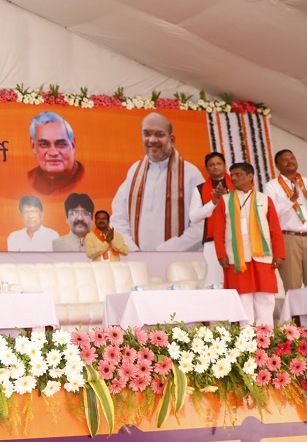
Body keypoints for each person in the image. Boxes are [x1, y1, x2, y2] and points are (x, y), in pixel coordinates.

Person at [110, 112, 202, 251]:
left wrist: (166, 252)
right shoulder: (135, 171)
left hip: (178, 261)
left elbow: (201, 223)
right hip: (137, 261)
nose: (152, 140)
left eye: (159, 134)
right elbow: (119, 216)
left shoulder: (190, 174)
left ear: (172, 139)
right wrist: (130, 248)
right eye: (146, 134)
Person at [214, 162, 285, 326]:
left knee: (265, 297)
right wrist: (221, 255)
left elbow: (275, 229)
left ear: (250, 176)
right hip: (237, 257)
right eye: (232, 175)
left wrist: (279, 254)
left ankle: (265, 337)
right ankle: (247, 339)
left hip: (263, 256)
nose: (233, 178)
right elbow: (218, 232)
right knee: (243, 297)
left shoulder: (264, 199)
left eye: (238, 174)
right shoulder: (224, 201)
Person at [264, 149, 307, 291]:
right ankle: (295, 314)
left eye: (292, 158)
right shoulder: (271, 186)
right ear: (277, 166)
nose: (290, 161)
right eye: (285, 159)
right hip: (288, 239)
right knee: (292, 285)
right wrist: (292, 199)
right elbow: (269, 213)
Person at [188, 152, 235, 288]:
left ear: (225, 166)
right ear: (206, 169)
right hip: (213, 241)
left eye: (219, 163)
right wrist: (213, 202)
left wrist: (227, 198)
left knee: (237, 277)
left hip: (237, 238)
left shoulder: (237, 184)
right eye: (212, 165)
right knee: (215, 281)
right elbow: (194, 217)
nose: (216, 167)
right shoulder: (200, 189)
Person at [27, 111, 84, 195]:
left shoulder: (86, 179)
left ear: (73, 145)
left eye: (61, 144)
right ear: (33, 146)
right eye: (43, 144)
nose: (53, 153)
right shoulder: (30, 179)